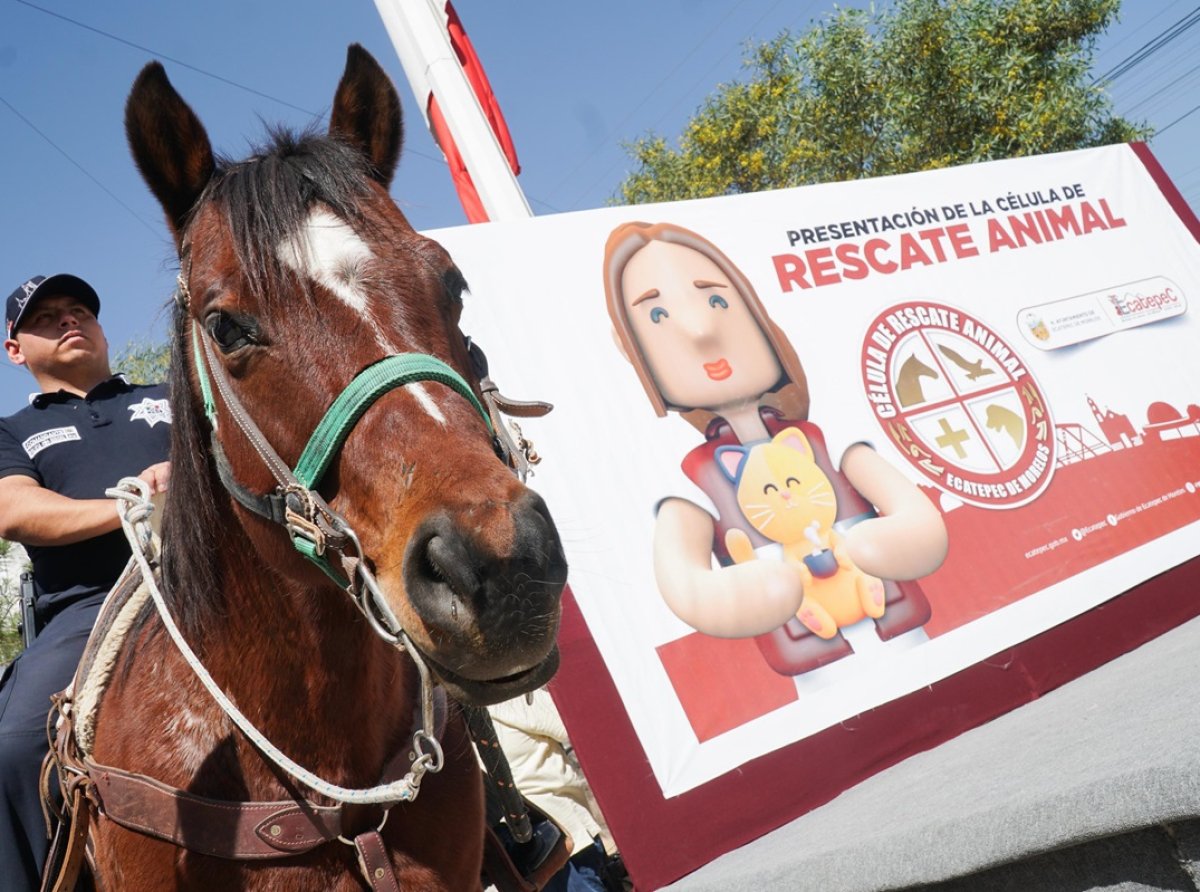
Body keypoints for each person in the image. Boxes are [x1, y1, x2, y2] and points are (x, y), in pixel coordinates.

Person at [603, 222, 948, 673]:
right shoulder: (686, 481)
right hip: (818, 662)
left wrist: (889, 542)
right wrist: (744, 593)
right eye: (657, 316)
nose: (701, 331)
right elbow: (686, 583)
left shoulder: (830, 436)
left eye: (717, 300)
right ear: (633, 352)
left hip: (904, 632)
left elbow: (920, 521)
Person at [0, 274, 171, 889]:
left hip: (223, 581)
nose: (70, 320)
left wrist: (189, 475)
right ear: (15, 350)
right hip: (92, 609)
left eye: (79, 311)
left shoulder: (174, 392)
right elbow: (14, 511)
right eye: (46, 317)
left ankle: (486, 837)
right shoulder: (12, 430)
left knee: (405, 659)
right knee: (15, 749)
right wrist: (133, 508)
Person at [488, 689, 625, 892]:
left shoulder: (504, 696)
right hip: (513, 856)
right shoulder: (443, 722)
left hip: (560, 836)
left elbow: (569, 723)